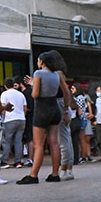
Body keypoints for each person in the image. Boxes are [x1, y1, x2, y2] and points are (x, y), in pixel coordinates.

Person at [18, 50, 72, 184]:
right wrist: (66, 109)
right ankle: (55, 174)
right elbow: (66, 92)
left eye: (38, 60)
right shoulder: (56, 74)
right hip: (55, 108)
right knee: (54, 142)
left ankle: (33, 175)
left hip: (42, 108)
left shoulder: (38, 73)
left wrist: (33, 85)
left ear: (42, 62)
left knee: (39, 144)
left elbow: (35, 94)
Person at [0, 77, 27, 169]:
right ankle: (18, 161)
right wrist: (23, 116)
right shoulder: (20, 94)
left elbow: (3, 108)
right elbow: (25, 108)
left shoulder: (4, 94)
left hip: (10, 119)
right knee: (18, 141)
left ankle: (5, 161)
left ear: (5, 86)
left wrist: (3, 118)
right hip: (21, 119)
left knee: (7, 141)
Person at [72, 84, 94, 163]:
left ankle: (83, 156)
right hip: (84, 118)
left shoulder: (78, 98)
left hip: (80, 118)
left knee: (81, 139)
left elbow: (79, 109)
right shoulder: (84, 97)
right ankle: (83, 156)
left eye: (73, 88)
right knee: (82, 139)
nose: (71, 90)